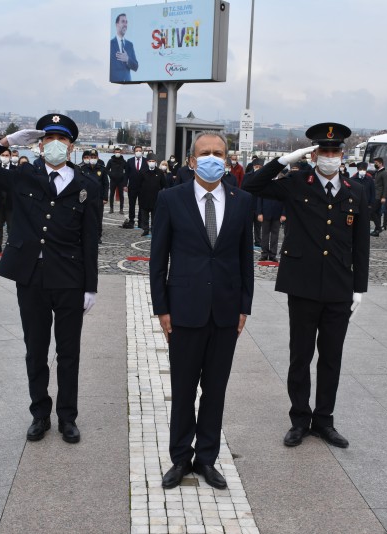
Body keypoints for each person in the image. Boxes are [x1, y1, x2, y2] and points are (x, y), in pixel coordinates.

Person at [0, 114, 98, 444]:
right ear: (39, 144)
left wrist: (90, 286)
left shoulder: (87, 186)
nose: (55, 144)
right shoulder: (24, 175)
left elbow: (90, 239)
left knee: (69, 353)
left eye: (62, 139)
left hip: (69, 278)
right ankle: (40, 414)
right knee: (36, 350)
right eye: (49, 138)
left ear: (71, 146)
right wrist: (6, 142)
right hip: (32, 278)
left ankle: (68, 417)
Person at [243, 123, 369, 450]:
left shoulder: (356, 190)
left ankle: (324, 420)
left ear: (342, 154)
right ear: (313, 154)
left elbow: (361, 244)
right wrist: (286, 160)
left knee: (331, 357)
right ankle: (299, 419)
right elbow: (252, 185)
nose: (329, 157)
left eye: (334, 151)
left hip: (339, 288)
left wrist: (359, 289)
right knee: (300, 355)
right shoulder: (298, 182)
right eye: (323, 151)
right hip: (302, 285)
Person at [149, 131, 254, 490]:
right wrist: (161, 307)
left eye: (218, 153)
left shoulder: (242, 200)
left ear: (227, 159)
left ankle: (206, 458)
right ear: (192, 161)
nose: (212, 158)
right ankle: (180, 458)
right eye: (205, 153)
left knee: (215, 390)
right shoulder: (170, 199)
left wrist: (245, 307)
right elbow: (158, 257)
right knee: (183, 389)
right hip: (184, 309)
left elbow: (245, 259)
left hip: (226, 312)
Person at [79, 150, 108, 243]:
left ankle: (98, 236)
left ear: (97, 158)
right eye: (91, 157)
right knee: (85, 217)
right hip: (86, 198)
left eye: (94, 157)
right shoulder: (83, 168)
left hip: (98, 198)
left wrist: (105, 197)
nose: (92, 159)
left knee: (98, 218)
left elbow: (106, 184)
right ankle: (84, 235)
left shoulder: (102, 169)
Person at [0, 147, 15, 254]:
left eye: (7, 155)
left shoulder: (15, 169)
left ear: (10, 156)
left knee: (11, 226)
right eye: (3, 155)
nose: (5, 157)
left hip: (11, 201)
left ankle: (10, 246)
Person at [136, 153, 166, 236]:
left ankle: (154, 230)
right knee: (144, 216)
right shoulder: (142, 172)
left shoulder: (159, 172)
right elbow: (138, 185)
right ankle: (145, 230)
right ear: (147, 162)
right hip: (144, 198)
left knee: (155, 217)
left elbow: (164, 185)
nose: (152, 162)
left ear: (156, 162)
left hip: (156, 199)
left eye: (153, 161)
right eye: (150, 161)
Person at [123, 146, 148, 228]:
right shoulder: (129, 161)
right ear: (134, 152)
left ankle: (141, 221)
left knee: (142, 205)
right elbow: (126, 174)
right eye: (136, 150)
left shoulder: (146, 161)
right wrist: (125, 185)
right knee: (131, 204)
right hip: (132, 187)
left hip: (143, 187)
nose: (138, 152)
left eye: (139, 150)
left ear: (142, 152)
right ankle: (131, 220)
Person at [110, 13, 139, 82]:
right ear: (117, 24)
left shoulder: (130, 45)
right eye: (123, 21)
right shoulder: (110, 44)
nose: (125, 24)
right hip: (114, 84)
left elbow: (136, 66)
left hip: (128, 83)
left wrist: (127, 59)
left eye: (126, 22)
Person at [257, 193, 285, 262]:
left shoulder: (280, 186)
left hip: (277, 214)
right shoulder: (265, 186)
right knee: (264, 235)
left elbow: (285, 200)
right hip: (265, 213)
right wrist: (259, 213)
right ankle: (264, 254)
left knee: (275, 236)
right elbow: (259, 200)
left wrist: (283, 214)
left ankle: (273, 255)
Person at [350, 162, 375, 235]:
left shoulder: (370, 180)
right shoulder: (353, 179)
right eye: (361, 169)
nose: (362, 171)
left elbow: (373, 192)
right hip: (355, 204)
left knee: (365, 221)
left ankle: (364, 233)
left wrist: (371, 204)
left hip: (366, 204)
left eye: (364, 169)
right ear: (357, 169)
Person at [106, 147, 127, 214]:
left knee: (121, 195)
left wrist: (123, 176)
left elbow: (127, 171)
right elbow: (106, 169)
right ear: (114, 152)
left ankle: (121, 209)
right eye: (116, 152)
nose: (117, 153)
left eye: (118, 152)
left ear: (120, 153)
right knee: (111, 194)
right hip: (113, 180)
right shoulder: (110, 161)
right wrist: (111, 174)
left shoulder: (123, 161)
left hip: (121, 181)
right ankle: (111, 209)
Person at [370, 157, 387, 236]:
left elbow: (386, 185)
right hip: (375, 195)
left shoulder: (384, 173)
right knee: (377, 213)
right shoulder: (378, 172)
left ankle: (379, 228)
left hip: (379, 196)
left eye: (376, 163)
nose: (375, 164)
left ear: (381, 163)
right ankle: (377, 230)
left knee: (372, 212)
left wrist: (384, 197)